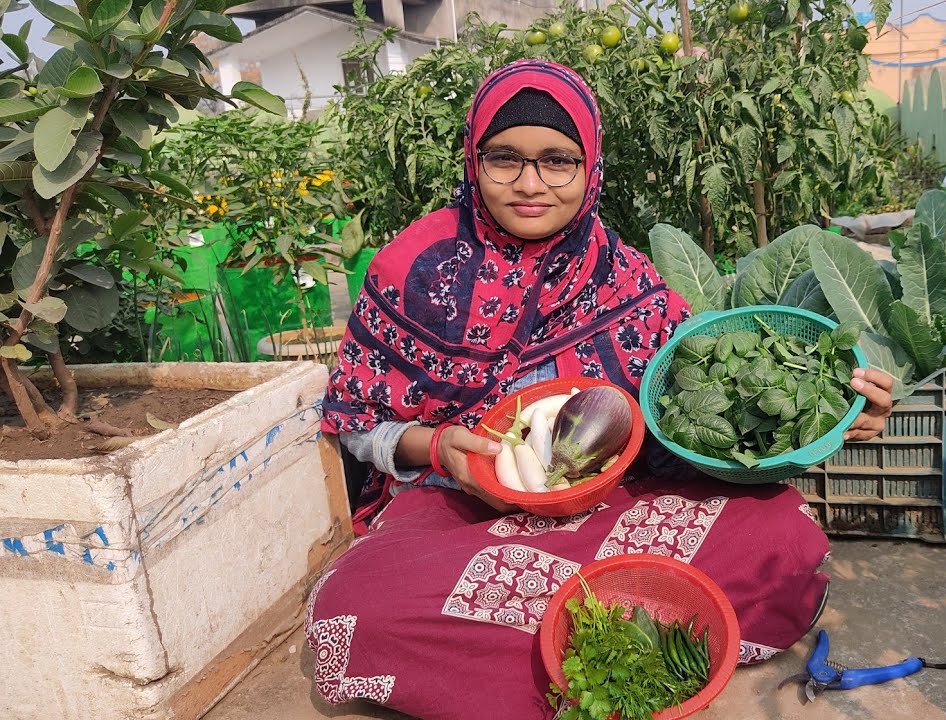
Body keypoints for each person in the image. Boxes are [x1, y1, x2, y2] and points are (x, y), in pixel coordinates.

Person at [307, 59, 895, 719]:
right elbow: (359, 422)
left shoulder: (620, 271)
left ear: (590, 169)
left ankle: (547, 640)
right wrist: (439, 447)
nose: (530, 184)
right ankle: (639, 630)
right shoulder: (416, 267)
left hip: (610, 503)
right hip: (458, 515)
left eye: (558, 160)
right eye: (504, 159)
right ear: (473, 162)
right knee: (359, 607)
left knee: (782, 536)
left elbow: (697, 407)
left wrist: (833, 417)